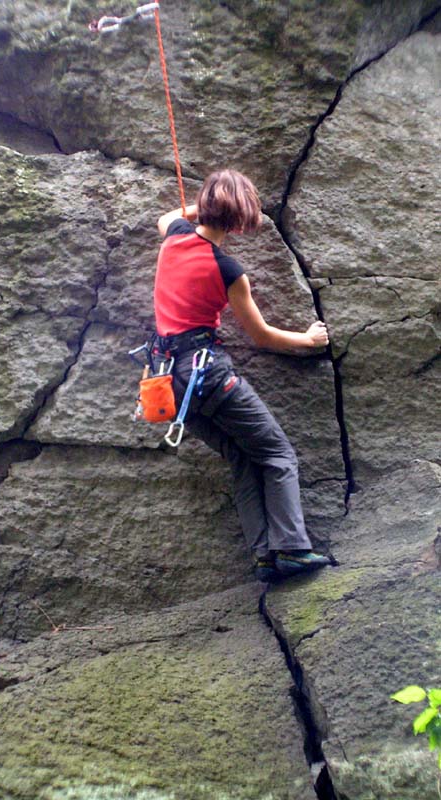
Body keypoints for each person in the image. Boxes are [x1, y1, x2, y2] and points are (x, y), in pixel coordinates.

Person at [153, 169, 331, 582]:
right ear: (239, 220)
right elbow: (263, 336)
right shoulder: (228, 269)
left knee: (241, 457)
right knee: (278, 454)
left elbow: (167, 215)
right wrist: (308, 340)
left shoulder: (174, 235)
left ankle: (264, 557)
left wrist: (212, 200)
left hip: (169, 383)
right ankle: (291, 549)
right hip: (208, 373)